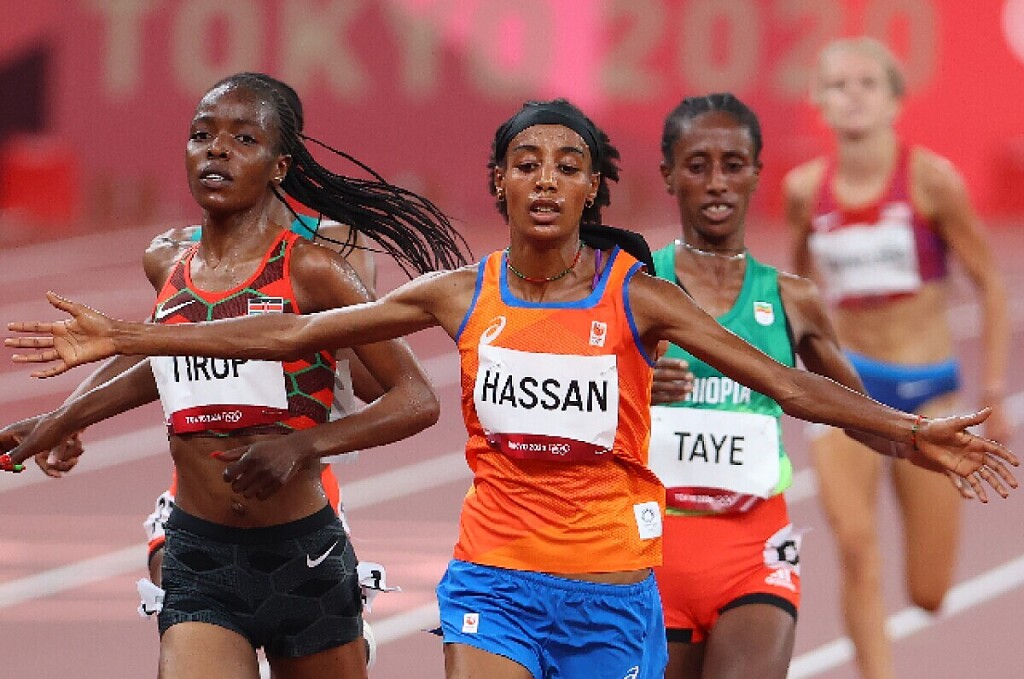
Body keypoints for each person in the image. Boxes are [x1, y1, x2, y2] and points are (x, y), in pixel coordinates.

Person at [5, 99, 1018, 679]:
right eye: (525, 162)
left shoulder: (639, 297)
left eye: (567, 165)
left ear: (592, 189)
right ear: (497, 182)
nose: (544, 178)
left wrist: (906, 432)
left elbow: (785, 384)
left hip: (612, 588)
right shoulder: (462, 293)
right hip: (494, 580)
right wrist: (127, 335)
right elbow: (296, 330)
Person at [1, 71, 469, 679]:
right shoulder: (166, 259)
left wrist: (306, 440)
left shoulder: (317, 268)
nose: (217, 150)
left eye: (243, 139)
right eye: (202, 135)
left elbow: (413, 397)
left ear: (280, 166)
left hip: (301, 552)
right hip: (199, 551)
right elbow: (170, 355)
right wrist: (62, 418)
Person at [781, 37, 1012, 679]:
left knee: (929, 591)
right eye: (838, 85)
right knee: (855, 549)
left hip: (927, 392)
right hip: (849, 391)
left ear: (894, 102)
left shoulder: (932, 181)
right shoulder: (804, 190)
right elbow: (795, 291)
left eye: (867, 84)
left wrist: (993, 389)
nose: (852, 96)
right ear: (819, 101)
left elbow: (991, 286)